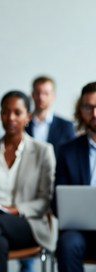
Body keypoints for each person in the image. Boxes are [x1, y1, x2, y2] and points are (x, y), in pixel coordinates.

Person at [0, 90, 56, 272]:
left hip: (27, 224)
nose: (10, 118)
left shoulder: (43, 151)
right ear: (0, 114)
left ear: (28, 117)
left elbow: (44, 201)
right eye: (5, 112)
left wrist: (14, 210)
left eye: (17, 112)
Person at [53, 82, 96, 272]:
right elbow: (57, 202)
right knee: (67, 244)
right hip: (80, 231)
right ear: (81, 110)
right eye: (88, 107)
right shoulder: (67, 151)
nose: (94, 114)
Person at [26, 76, 75, 156]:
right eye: (38, 93)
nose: (41, 97)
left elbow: (72, 156)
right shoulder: (23, 124)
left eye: (46, 93)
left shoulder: (66, 126)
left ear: (53, 96)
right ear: (32, 95)